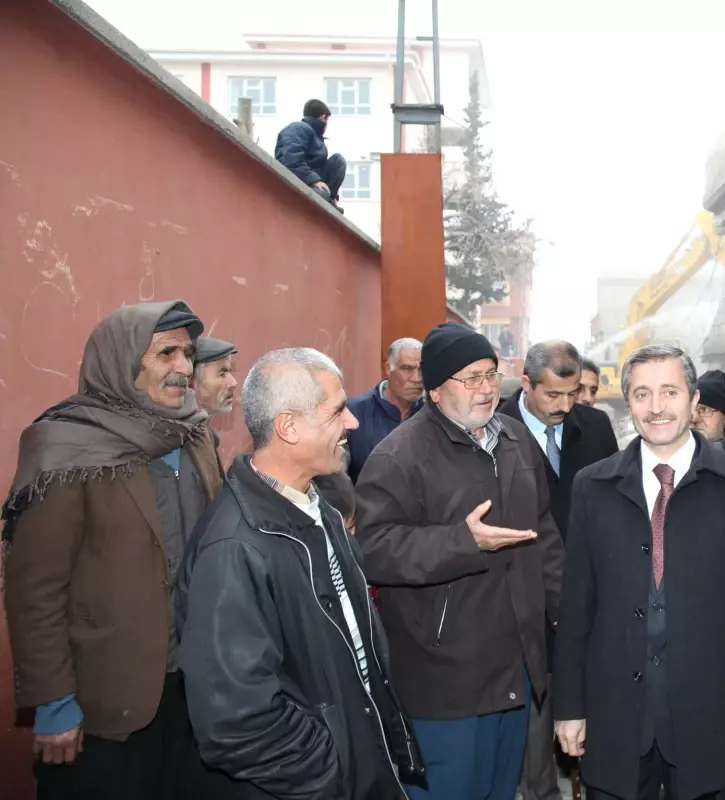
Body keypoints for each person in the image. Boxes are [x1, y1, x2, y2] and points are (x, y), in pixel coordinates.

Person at [175, 348, 422, 800]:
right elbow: (237, 723)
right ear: (288, 427)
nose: (352, 423)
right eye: (337, 411)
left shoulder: (320, 510)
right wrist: (335, 770)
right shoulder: (234, 546)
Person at [3, 300, 224, 800]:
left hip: (192, 690)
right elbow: (35, 589)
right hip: (101, 704)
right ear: (121, 359)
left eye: (188, 354)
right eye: (166, 353)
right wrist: (56, 701)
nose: (184, 368)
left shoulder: (195, 435)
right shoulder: (65, 446)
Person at [554, 344, 725, 800]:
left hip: (712, 725)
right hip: (616, 722)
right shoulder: (592, 488)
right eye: (641, 394)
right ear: (627, 403)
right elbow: (576, 608)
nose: (656, 407)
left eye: (669, 392)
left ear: (694, 399)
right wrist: (569, 707)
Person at [356, 322, 564, 800]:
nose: (487, 388)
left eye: (491, 374)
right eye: (470, 378)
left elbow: (544, 535)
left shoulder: (514, 439)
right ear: (433, 389)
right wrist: (461, 543)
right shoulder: (398, 456)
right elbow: (373, 550)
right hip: (447, 684)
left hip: (515, 673)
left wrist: (565, 615)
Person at [498, 340, 619, 800]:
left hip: (587, 592)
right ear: (526, 383)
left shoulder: (595, 426)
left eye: (573, 395)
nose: (565, 406)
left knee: (586, 709)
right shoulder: (496, 428)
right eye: (553, 396)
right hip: (521, 596)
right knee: (534, 722)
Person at [345, 337, 424, 482]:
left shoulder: (432, 414)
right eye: (407, 368)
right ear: (388, 368)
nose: (417, 378)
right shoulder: (353, 413)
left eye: (422, 369)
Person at [275, 99, 346, 209]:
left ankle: (329, 199)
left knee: (338, 160)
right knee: (320, 194)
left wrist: (333, 195)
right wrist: (314, 180)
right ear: (324, 117)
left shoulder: (315, 136)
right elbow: (289, 158)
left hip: (313, 181)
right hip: (299, 182)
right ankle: (324, 197)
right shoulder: (299, 128)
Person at [191, 336, 238, 415]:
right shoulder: (169, 426)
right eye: (222, 374)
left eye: (230, 371)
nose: (234, 383)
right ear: (192, 381)